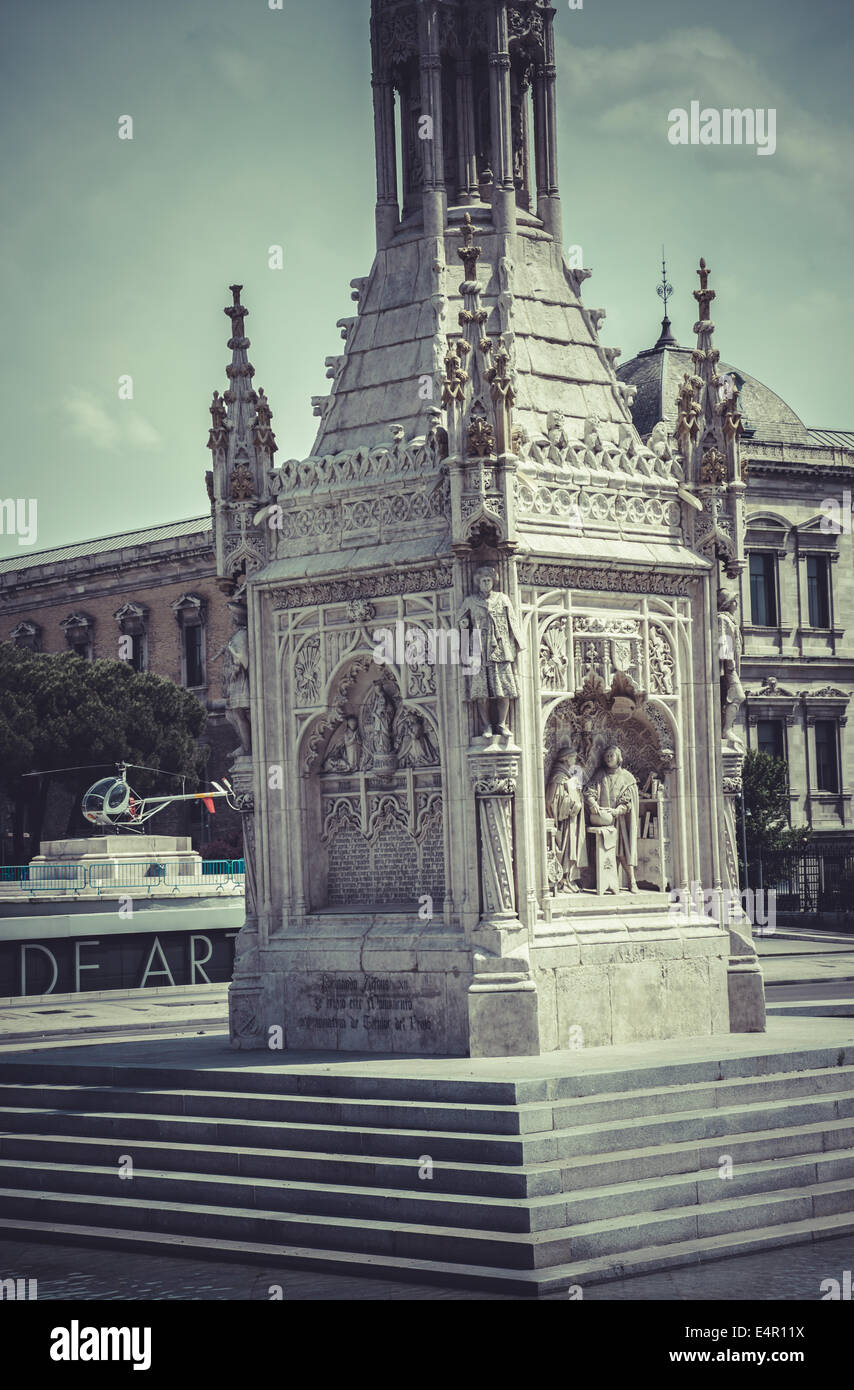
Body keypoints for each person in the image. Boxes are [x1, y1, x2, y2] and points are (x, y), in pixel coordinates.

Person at [457, 566, 525, 737]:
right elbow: (459, 620)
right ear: (478, 583)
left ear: (493, 582)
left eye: (488, 580)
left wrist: (517, 644)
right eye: (483, 581)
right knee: (481, 692)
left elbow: (513, 621)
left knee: (505, 689)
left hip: (500, 649)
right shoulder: (471, 601)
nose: (486, 584)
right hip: (479, 649)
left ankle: (502, 724)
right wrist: (464, 625)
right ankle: (486, 726)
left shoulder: (502, 599)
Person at [584, 743, 639, 893]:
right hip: (603, 820)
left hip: (620, 821)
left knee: (623, 851)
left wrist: (616, 811)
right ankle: (607, 882)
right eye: (606, 756)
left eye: (611, 755)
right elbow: (589, 791)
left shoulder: (627, 777)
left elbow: (628, 802)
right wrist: (593, 802)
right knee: (604, 851)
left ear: (618, 758)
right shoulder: (600, 775)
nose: (609, 758)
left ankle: (631, 881)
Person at [545, 746, 587, 892]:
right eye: (573, 758)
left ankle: (568, 878)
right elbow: (552, 801)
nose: (574, 761)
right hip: (563, 821)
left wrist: (577, 793)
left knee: (571, 848)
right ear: (566, 758)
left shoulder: (567, 776)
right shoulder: (559, 777)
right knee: (565, 848)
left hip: (570, 821)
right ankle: (562, 880)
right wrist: (572, 803)